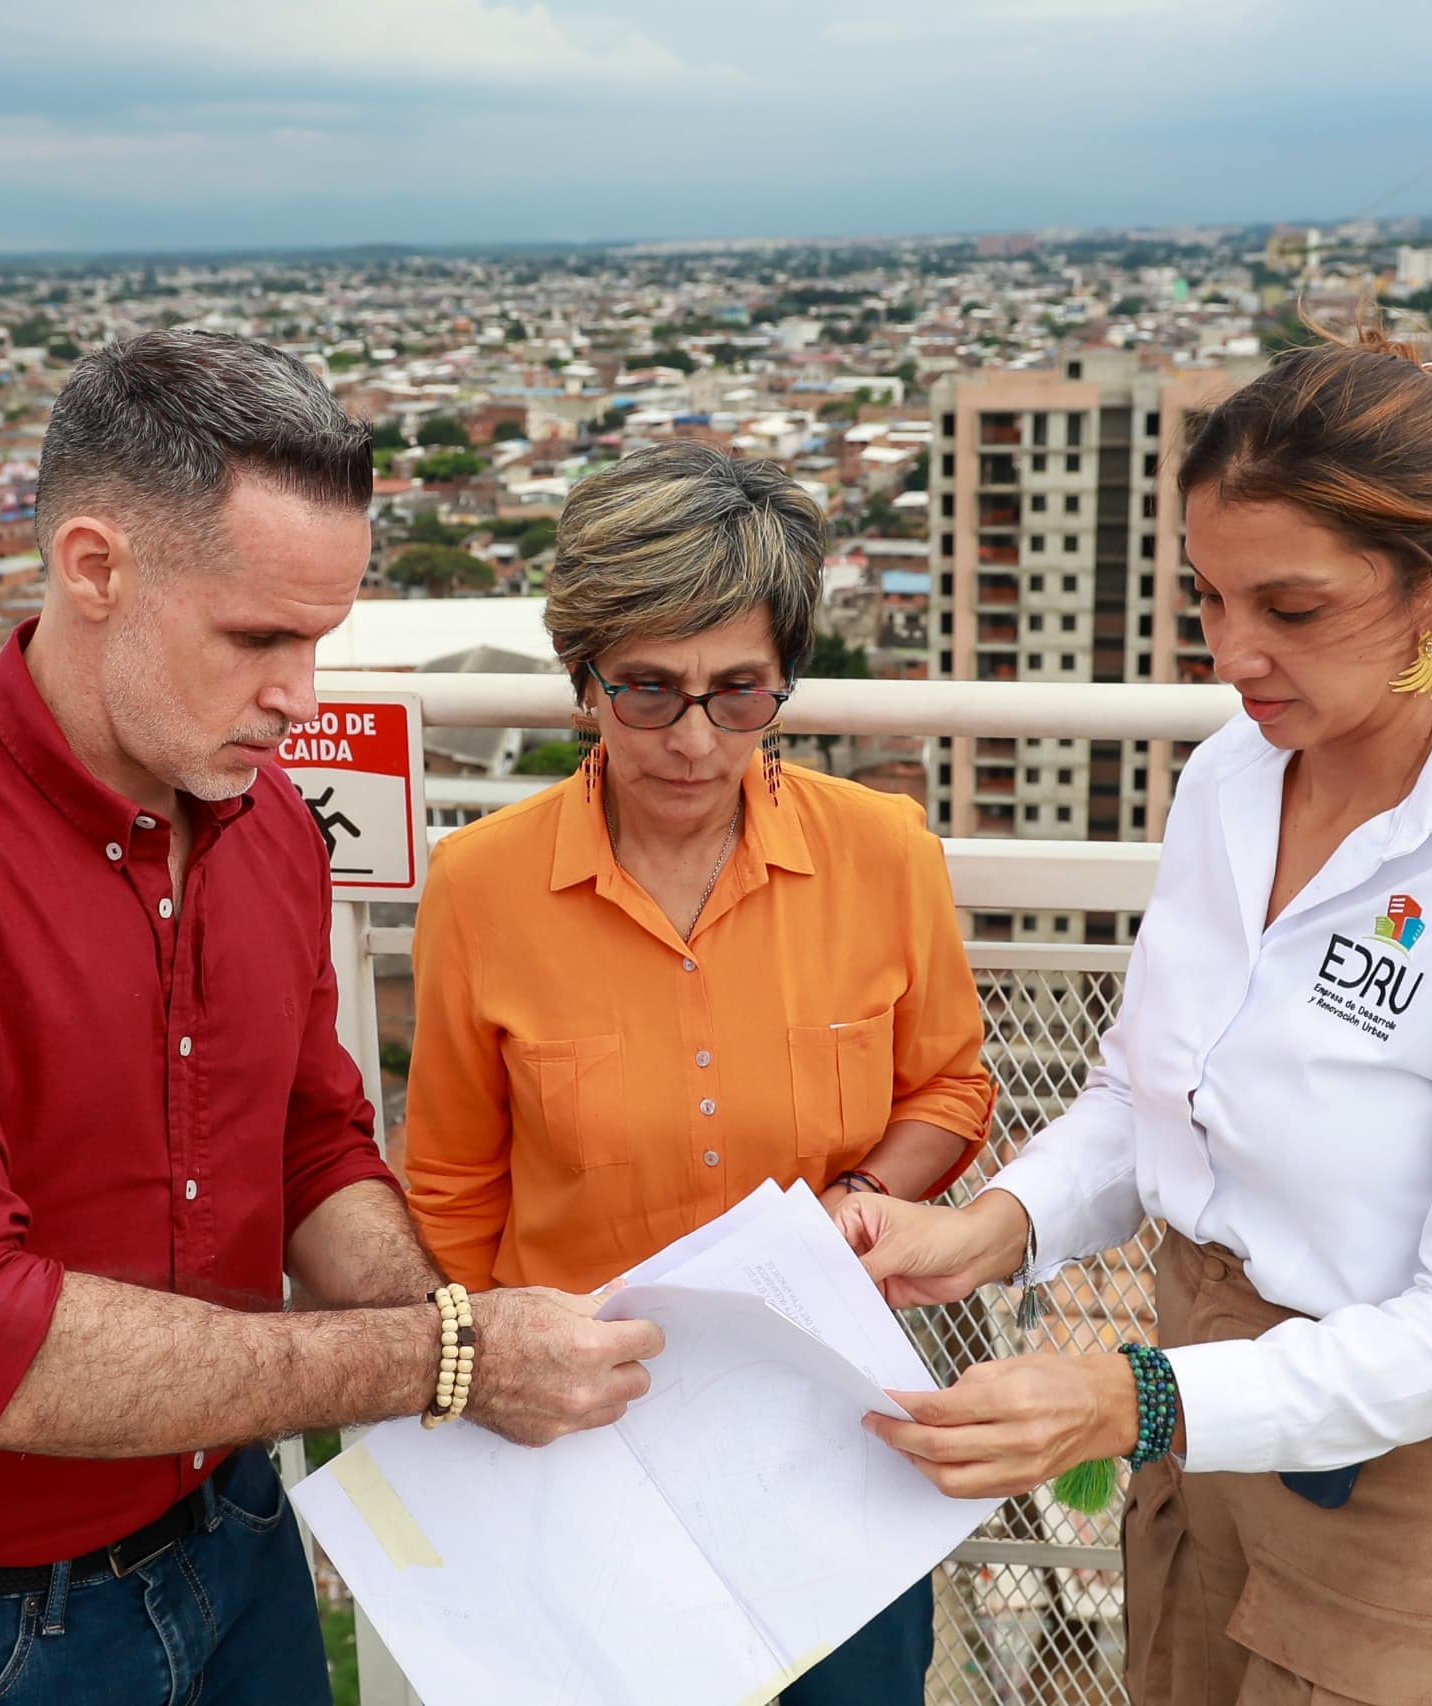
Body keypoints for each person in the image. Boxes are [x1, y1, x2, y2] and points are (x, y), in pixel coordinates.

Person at [0, 330, 661, 1706]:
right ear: (96, 567)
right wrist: (449, 1354)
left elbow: (311, 1144)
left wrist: (472, 1319)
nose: (303, 698)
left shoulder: (265, 827)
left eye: (319, 639)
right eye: (260, 637)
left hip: (233, 1531)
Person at [839, 324, 1432, 1705]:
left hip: (1413, 1481)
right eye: (1209, 597)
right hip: (1201, 1419)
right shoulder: (1236, 778)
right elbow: (1147, 1091)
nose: (1232, 652)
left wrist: (1133, 1398)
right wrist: (992, 1228)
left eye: (1289, 609)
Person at [403, 440, 995, 1706]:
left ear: (785, 681)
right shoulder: (480, 887)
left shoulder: (881, 851)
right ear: (583, 683)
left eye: (738, 693)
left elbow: (949, 1089)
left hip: (829, 1426)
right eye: (648, 691)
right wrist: (489, 1389)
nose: (692, 738)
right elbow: (453, 1190)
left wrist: (864, 1197)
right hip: (586, 1442)